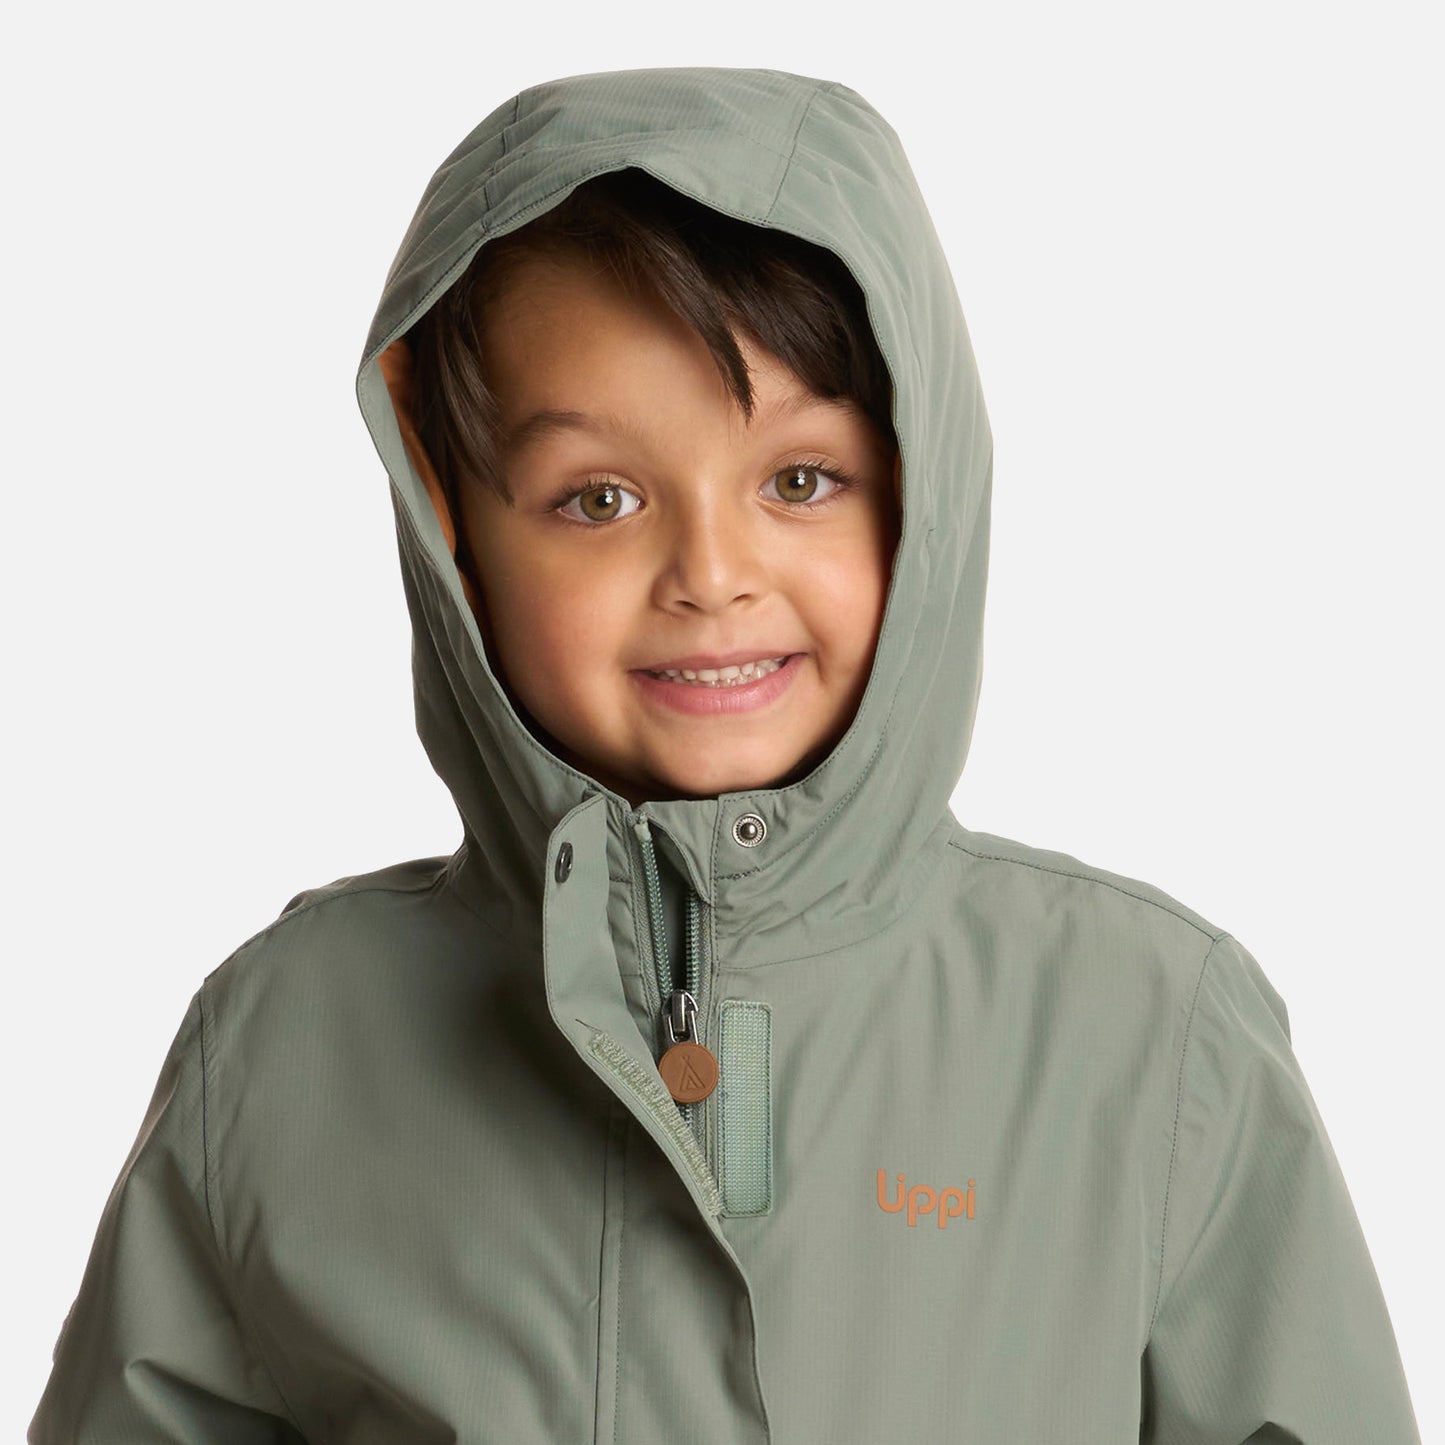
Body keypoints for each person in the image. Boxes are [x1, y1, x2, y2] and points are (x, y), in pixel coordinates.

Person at [30, 67, 1421, 1442]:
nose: (710, 573)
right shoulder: (286, 1045)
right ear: (455, 536)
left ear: (918, 501)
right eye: (598, 498)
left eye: (799, 480)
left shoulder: (1149, 1034)